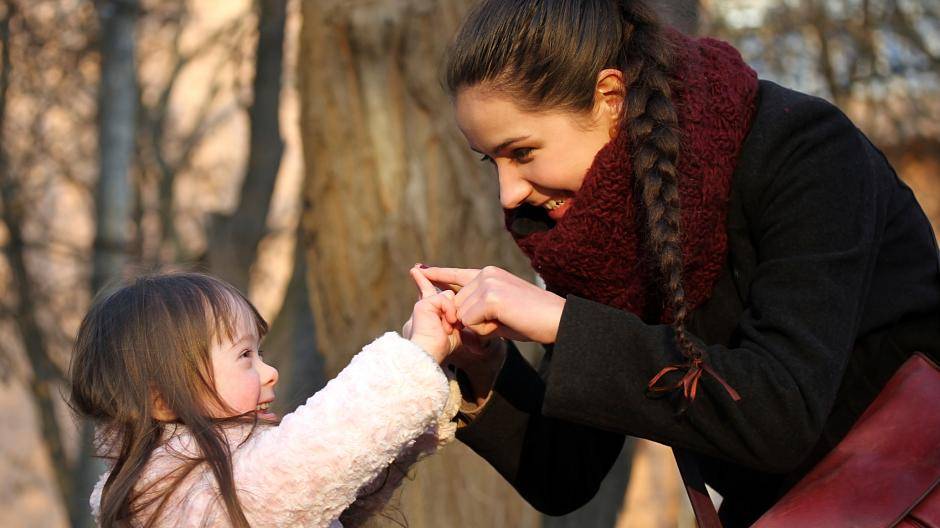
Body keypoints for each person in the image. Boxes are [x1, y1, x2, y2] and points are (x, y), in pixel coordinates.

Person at [419, 0, 940, 525]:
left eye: (523, 153)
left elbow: (780, 414)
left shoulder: (805, 151)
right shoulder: (589, 234)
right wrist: (483, 364)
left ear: (610, 98)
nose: (507, 194)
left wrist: (561, 324)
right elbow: (563, 474)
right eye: (492, 160)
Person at [70, 269, 462, 527]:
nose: (270, 371)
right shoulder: (193, 498)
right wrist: (418, 355)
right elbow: (316, 456)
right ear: (162, 401)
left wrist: (425, 362)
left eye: (261, 352)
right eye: (245, 356)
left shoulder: (212, 479)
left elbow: (338, 482)